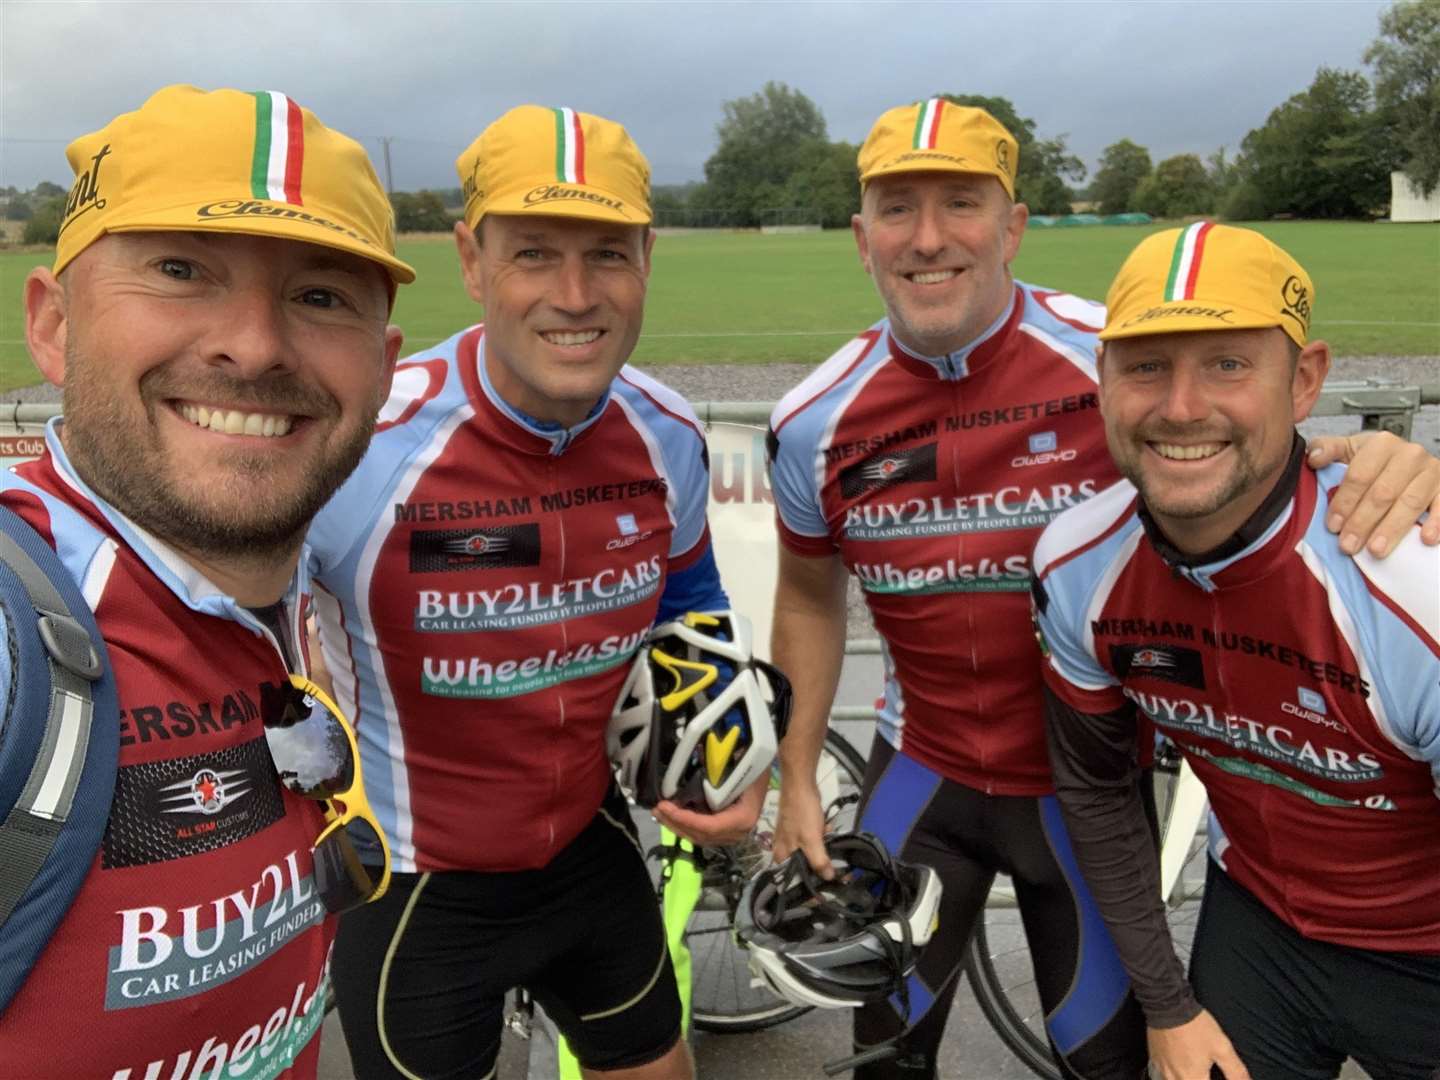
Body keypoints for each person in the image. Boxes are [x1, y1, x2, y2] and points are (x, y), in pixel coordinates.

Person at [766, 98, 1440, 1079]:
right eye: (896, 209)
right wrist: (794, 776)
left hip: (1086, 793)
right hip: (919, 775)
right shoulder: (811, 417)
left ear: (1014, 225)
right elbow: (804, 596)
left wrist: (1401, 464)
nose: (928, 237)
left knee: (1117, 1063)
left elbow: (1259, 439)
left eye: (961, 202)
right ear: (862, 237)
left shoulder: (1117, 357)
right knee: (881, 1055)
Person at [308, 104, 760, 1080]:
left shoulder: (666, 433)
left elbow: (690, 601)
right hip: (415, 894)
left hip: (591, 850)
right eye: (534, 254)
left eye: (606, 255)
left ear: (646, 258)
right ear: (472, 262)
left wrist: (726, 748)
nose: (573, 293)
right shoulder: (359, 442)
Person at [0, 85, 412, 1076]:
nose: (255, 346)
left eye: (320, 296)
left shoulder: (291, 590)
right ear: (51, 324)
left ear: (385, 366)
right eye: (180, 272)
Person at [1035, 223, 1439, 1080]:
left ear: (1305, 382)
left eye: (1227, 363)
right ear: (1100, 380)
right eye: (1146, 365)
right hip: (1257, 930)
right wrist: (1167, 1005)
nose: (1181, 407)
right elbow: (1099, 792)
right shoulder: (1075, 567)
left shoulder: (1414, 584)